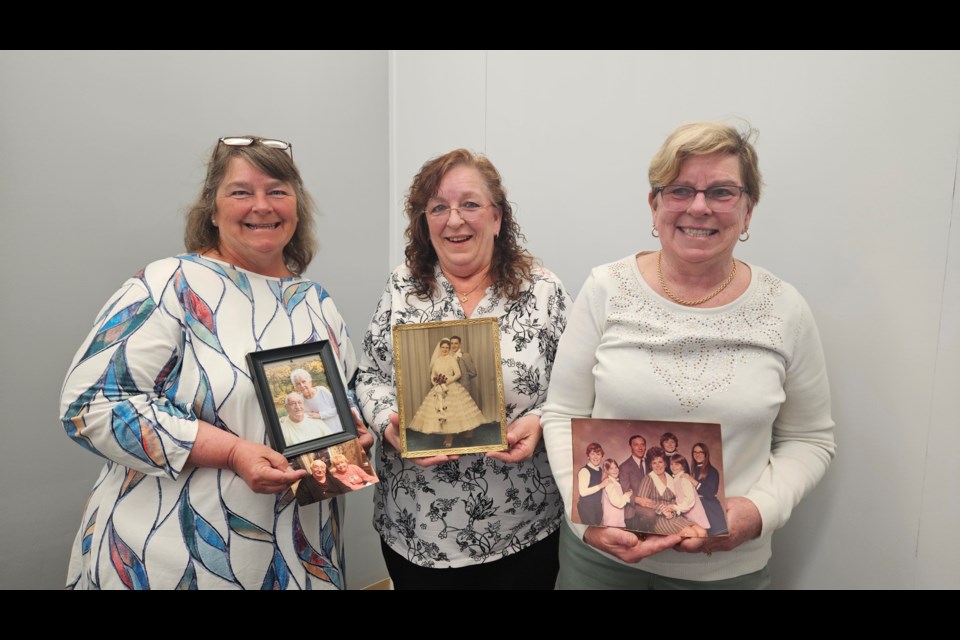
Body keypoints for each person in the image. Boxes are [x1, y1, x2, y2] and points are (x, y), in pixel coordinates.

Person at [59, 135, 370, 590]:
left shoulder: (315, 302)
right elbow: (91, 406)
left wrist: (354, 429)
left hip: (299, 554)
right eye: (241, 191)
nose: (261, 206)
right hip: (178, 555)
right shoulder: (169, 285)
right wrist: (231, 451)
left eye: (278, 191)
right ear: (212, 209)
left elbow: (345, 393)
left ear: (297, 208)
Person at [542, 121, 836, 589]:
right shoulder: (605, 290)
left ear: (748, 209)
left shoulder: (785, 310)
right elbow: (561, 414)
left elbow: (811, 439)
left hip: (727, 570)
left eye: (721, 192)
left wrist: (759, 512)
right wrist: (586, 522)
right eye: (680, 190)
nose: (699, 207)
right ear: (654, 204)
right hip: (600, 564)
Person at [356, 148, 571, 589]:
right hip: (416, 529)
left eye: (470, 204)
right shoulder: (402, 287)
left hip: (522, 527)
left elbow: (578, 390)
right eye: (438, 207)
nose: (454, 220)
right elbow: (370, 376)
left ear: (496, 218)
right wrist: (389, 424)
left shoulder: (542, 290)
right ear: (425, 222)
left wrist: (540, 420)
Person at [408, 337, 484, 448]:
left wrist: (446, 382)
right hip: (438, 388)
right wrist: (436, 383)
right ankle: (447, 436)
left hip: (451, 387)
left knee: (452, 413)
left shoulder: (452, 359)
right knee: (440, 412)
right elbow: (433, 375)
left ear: (449, 349)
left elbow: (458, 374)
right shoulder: (437, 361)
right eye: (443, 347)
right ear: (440, 348)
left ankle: (452, 436)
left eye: (447, 347)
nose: (445, 349)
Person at [636, 447, 698, 536]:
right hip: (659, 518)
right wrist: (662, 509)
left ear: (665, 463)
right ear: (650, 465)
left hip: (675, 515)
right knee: (692, 534)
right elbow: (643, 502)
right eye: (654, 463)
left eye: (660, 462)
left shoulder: (671, 477)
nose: (658, 465)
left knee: (701, 532)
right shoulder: (648, 479)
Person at [665, 454, 710, 537]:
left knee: (701, 534)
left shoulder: (684, 479)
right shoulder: (676, 478)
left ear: (683, 466)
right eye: (671, 464)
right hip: (685, 511)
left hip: (693, 512)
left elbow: (689, 501)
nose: (673, 467)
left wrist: (675, 507)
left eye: (677, 464)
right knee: (695, 537)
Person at [619, 435, 656, 532]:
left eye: (642, 445)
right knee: (651, 514)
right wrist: (638, 500)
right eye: (636, 445)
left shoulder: (651, 463)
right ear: (630, 447)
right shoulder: (624, 467)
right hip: (634, 506)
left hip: (651, 501)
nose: (640, 448)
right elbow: (624, 491)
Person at [690, 442, 728, 535]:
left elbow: (710, 493)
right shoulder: (693, 470)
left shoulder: (712, 471)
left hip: (710, 508)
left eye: (701, 452)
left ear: (706, 454)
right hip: (696, 508)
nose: (697, 455)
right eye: (695, 452)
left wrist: (692, 481)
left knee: (717, 539)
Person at [291, 368, 344, 433]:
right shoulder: (300, 400)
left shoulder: (322, 391)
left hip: (337, 430)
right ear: (295, 386)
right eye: (298, 384)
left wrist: (320, 415)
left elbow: (339, 409)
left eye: (303, 381)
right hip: (320, 435)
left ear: (310, 381)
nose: (302, 385)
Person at [577, 443, 608, 526]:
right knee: (592, 531)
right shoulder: (584, 471)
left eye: (598, 454)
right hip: (587, 507)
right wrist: (601, 485)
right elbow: (583, 492)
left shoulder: (600, 470)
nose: (595, 457)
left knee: (597, 529)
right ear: (588, 456)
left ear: (602, 456)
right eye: (592, 454)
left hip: (597, 505)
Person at [600, 459, 632, 528]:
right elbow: (619, 503)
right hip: (612, 522)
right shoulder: (609, 483)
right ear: (607, 471)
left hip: (616, 521)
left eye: (616, 467)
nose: (615, 470)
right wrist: (627, 495)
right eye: (611, 468)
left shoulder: (615, 482)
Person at [449, 335, 478, 402]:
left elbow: (473, 373)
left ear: (460, 344)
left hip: (463, 386)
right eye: (452, 343)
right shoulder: (449, 357)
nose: (453, 345)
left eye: (456, 343)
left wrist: (464, 377)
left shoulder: (465, 356)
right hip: (451, 387)